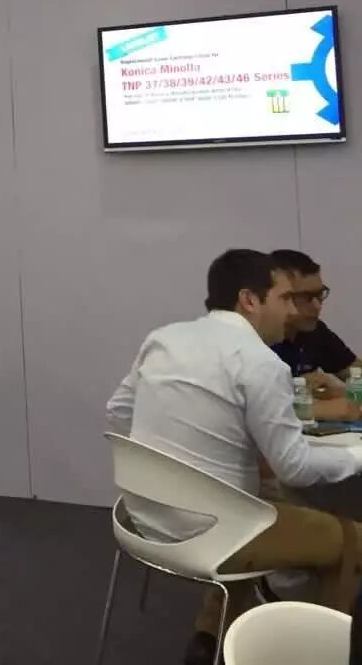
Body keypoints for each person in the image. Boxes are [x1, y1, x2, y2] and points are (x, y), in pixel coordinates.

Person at [107, 249, 362, 664]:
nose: (291, 311)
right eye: (285, 298)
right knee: (351, 540)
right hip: (218, 530)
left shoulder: (163, 338)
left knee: (258, 503)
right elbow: (295, 467)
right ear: (249, 300)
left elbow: (117, 413)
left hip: (141, 515)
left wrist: (159, 467)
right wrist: (357, 455)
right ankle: (313, 651)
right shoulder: (260, 363)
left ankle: (210, 637)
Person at [271, 249, 362, 421]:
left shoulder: (315, 331)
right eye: (306, 297)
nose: (317, 306)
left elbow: (356, 372)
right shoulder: (257, 338)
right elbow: (259, 409)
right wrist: (322, 408)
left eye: (319, 294)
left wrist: (342, 391)